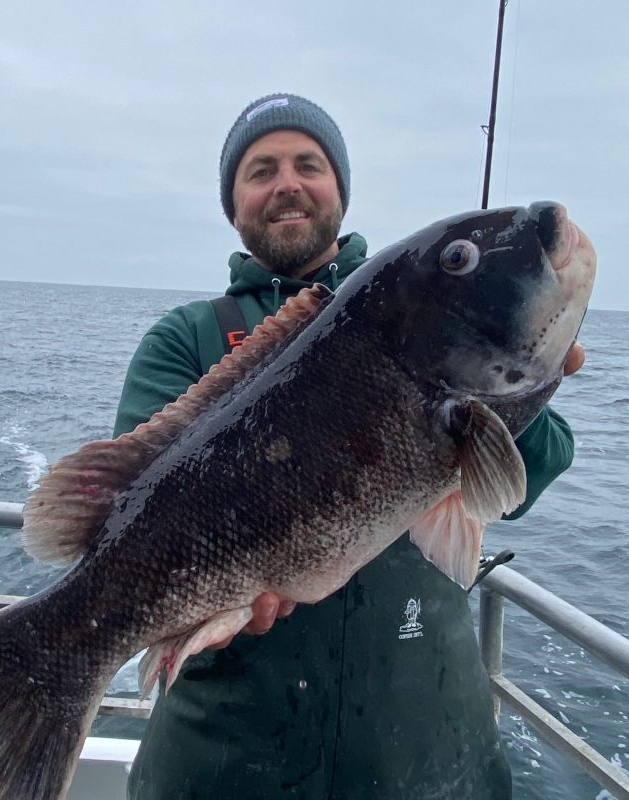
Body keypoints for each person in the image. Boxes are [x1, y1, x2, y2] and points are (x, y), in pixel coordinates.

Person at [114, 94, 582, 799]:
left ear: (340, 188)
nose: (288, 184)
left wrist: (519, 384)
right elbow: (133, 515)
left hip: (429, 752)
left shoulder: (414, 306)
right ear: (233, 203)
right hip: (224, 764)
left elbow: (517, 491)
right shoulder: (185, 340)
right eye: (261, 170)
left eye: (309, 165)